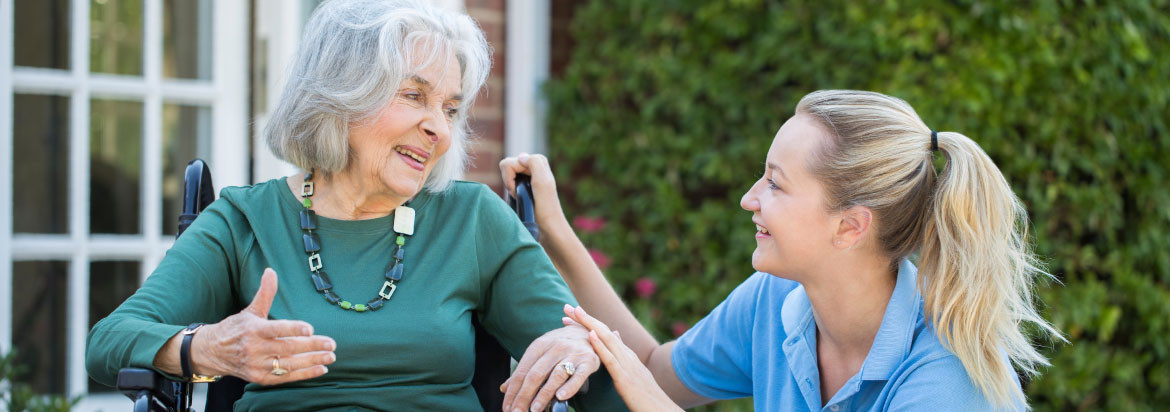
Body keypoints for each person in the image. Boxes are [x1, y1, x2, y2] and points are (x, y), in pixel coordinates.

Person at [85, 1, 622, 410]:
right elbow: (109, 341)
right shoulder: (245, 220)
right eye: (414, 96)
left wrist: (581, 342)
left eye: (451, 108)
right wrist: (205, 348)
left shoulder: (473, 219)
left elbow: (591, 365)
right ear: (340, 95)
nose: (438, 127)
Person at [499, 90, 1063, 411]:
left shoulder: (946, 383)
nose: (749, 199)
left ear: (849, 227)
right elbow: (654, 369)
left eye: (775, 183)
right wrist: (555, 230)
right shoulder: (780, 301)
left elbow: (650, 392)